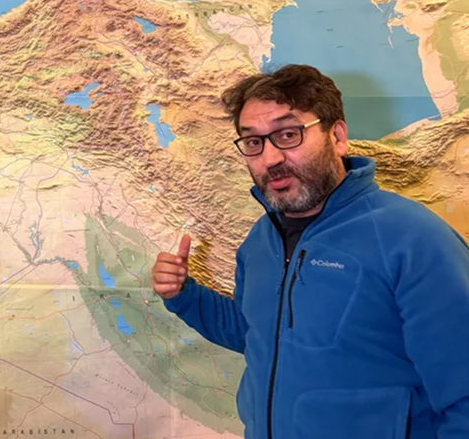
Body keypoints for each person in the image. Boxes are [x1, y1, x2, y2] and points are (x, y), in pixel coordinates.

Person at [152, 64, 469, 439]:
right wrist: (184, 297)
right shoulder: (260, 241)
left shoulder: (414, 239)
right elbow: (258, 334)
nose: (270, 158)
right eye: (253, 142)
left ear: (337, 136)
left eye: (288, 134)